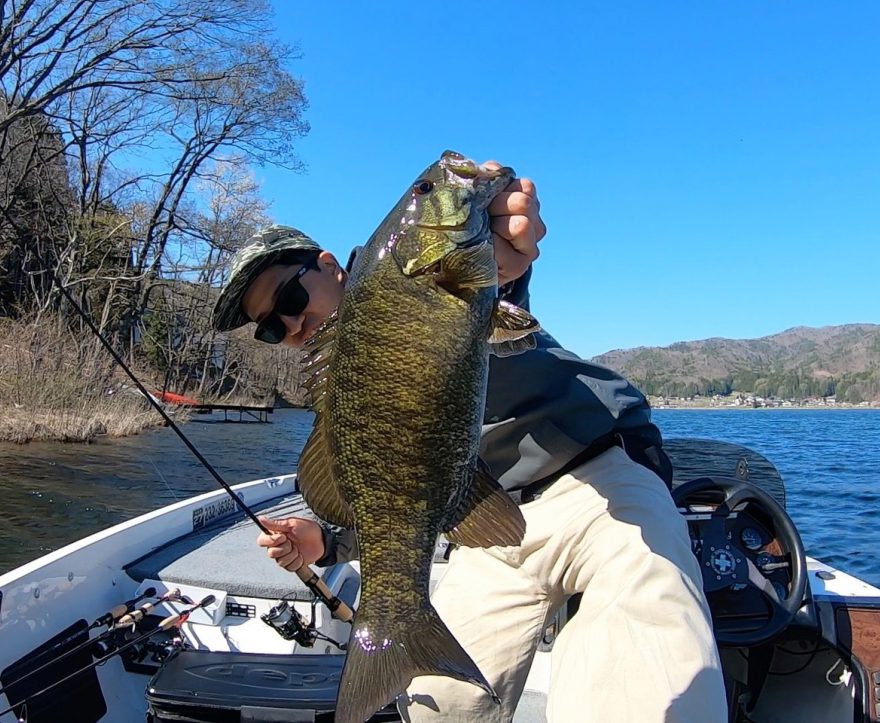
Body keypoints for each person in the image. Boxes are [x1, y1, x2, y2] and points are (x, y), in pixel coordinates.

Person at [210, 165, 727, 723]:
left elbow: (500, 302)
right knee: (443, 704)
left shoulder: (424, 278)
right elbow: (400, 490)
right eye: (269, 327)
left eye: (289, 295)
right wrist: (327, 541)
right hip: (489, 523)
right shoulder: (343, 378)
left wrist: (503, 260)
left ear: (329, 265)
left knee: (647, 672)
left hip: (597, 483)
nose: (289, 325)